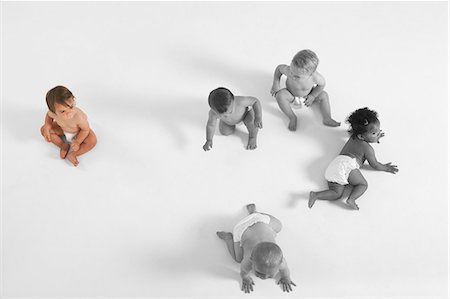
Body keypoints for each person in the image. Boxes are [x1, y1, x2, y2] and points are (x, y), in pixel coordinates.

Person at [309, 107, 398, 210]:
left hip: (335, 165)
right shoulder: (368, 149)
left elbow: (354, 132)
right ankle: (351, 199)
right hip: (348, 165)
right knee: (363, 184)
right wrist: (386, 168)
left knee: (336, 193)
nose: (378, 134)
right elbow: (375, 164)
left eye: (378, 131)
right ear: (361, 136)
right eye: (374, 133)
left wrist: (374, 136)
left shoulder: (353, 136)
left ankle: (316, 195)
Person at [216, 203, 296, 293]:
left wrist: (286, 278)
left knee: (279, 226)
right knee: (238, 259)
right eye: (259, 273)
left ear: (280, 263)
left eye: (269, 276)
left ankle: (254, 213)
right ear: (251, 259)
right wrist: (245, 278)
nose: (263, 278)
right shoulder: (247, 261)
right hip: (242, 229)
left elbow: (285, 270)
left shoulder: (280, 262)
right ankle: (228, 238)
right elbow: (243, 272)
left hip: (260, 220)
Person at [270, 49, 340, 131]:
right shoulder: (289, 70)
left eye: (297, 76)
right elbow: (279, 69)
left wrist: (313, 96)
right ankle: (292, 117)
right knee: (280, 95)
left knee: (324, 95)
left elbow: (322, 85)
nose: (292, 76)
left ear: (311, 74)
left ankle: (327, 117)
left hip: (307, 96)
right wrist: (276, 83)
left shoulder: (316, 77)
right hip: (291, 94)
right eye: (292, 72)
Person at [40, 85, 97, 166]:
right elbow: (49, 116)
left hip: (78, 131)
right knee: (43, 130)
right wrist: (47, 126)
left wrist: (77, 142)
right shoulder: (53, 113)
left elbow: (85, 129)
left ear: (73, 100)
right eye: (63, 111)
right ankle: (63, 146)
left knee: (92, 141)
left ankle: (73, 154)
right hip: (63, 128)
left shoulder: (79, 117)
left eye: (71, 107)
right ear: (53, 111)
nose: (69, 112)